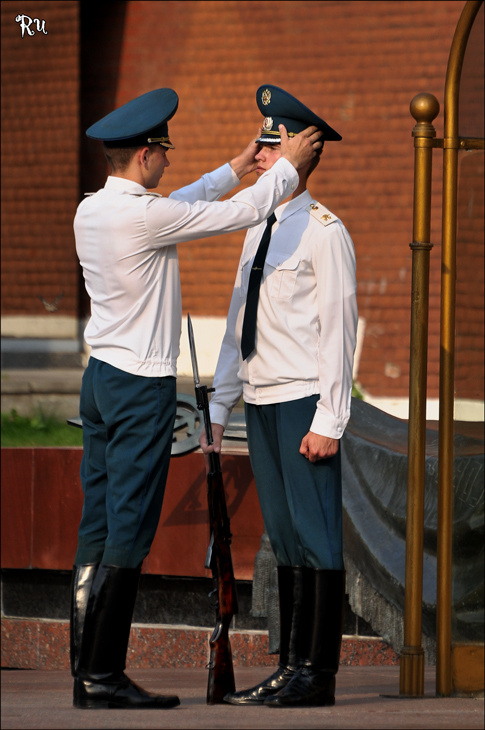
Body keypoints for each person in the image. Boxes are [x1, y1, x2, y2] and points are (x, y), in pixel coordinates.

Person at [70, 87, 322, 711]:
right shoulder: (144, 217)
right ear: (145, 155)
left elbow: (185, 202)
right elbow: (239, 214)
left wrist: (238, 165)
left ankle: (84, 669)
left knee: (97, 524)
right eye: (163, 151)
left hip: (100, 380)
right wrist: (288, 166)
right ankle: (103, 675)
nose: (168, 160)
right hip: (139, 389)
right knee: (129, 528)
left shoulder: (93, 210)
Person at [199, 84, 358, 708]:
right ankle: (290, 667)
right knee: (286, 539)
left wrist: (330, 419)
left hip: (302, 403)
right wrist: (219, 406)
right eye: (262, 145)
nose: (260, 154)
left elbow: (340, 332)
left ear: (299, 151)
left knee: (317, 538)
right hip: (261, 400)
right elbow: (239, 321)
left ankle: (317, 674)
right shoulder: (256, 228)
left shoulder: (324, 232)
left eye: (272, 144)